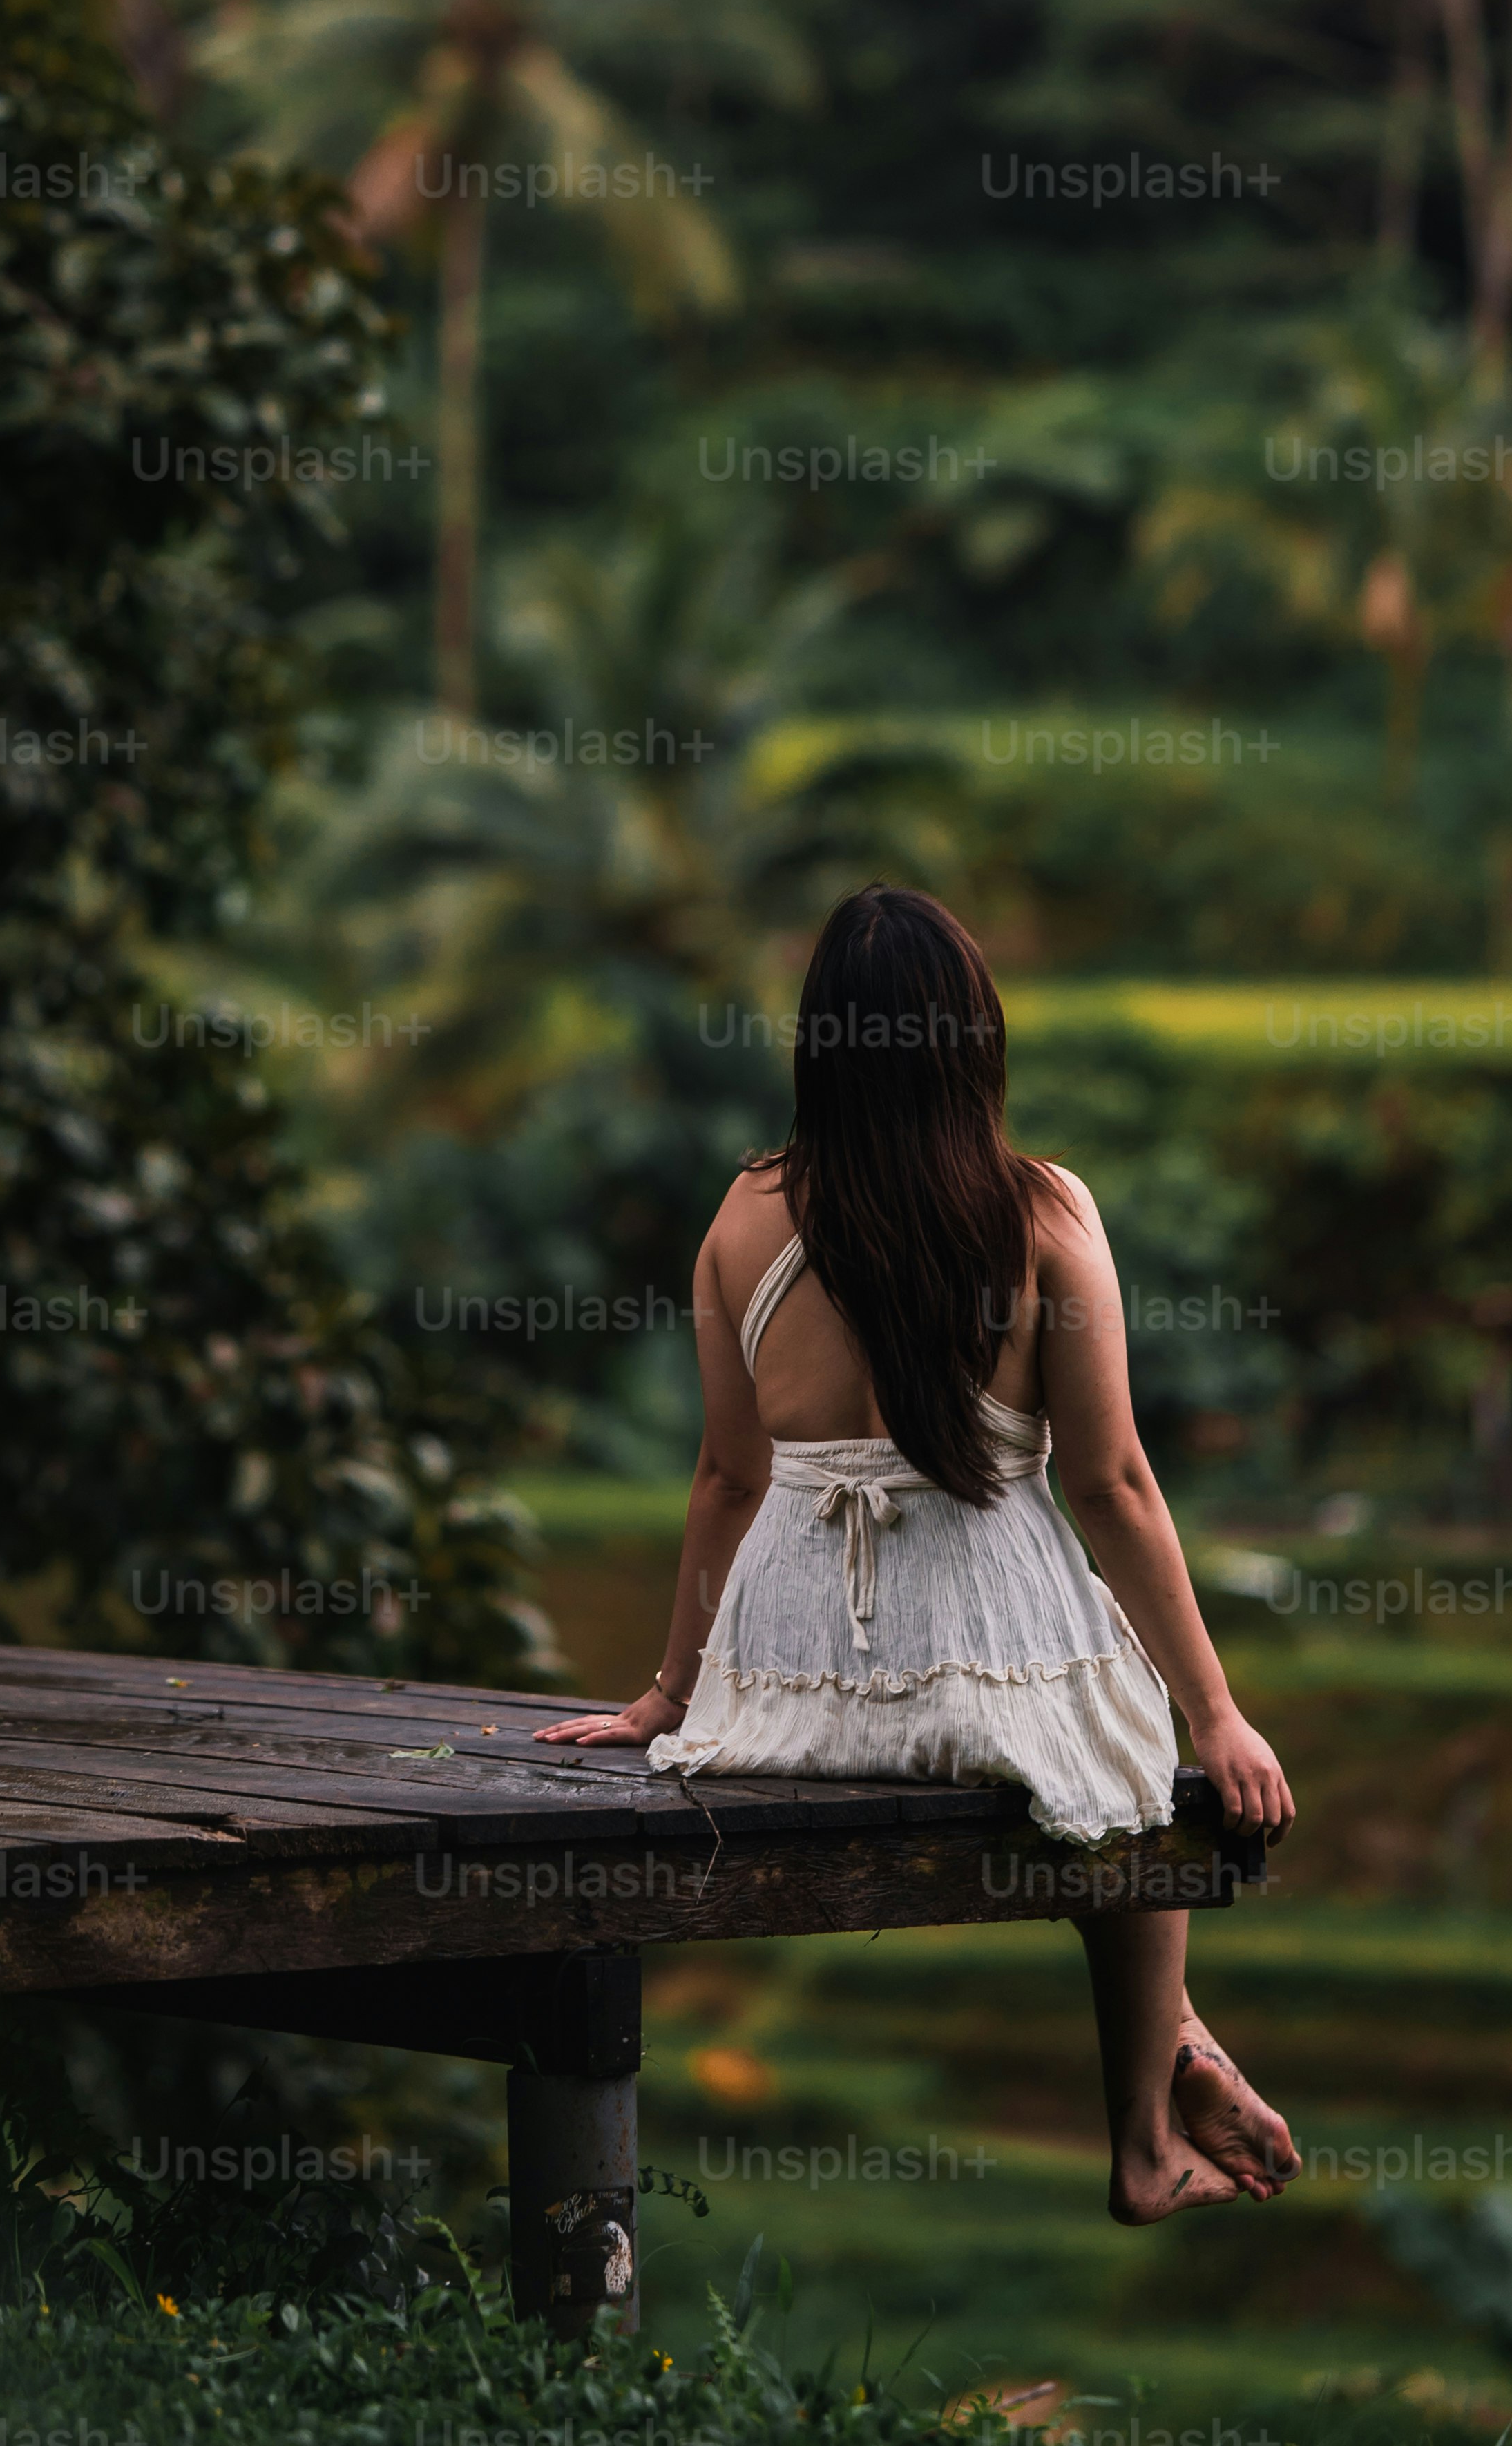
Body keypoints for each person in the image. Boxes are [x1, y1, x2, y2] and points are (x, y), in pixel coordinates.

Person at [537, 880, 1299, 2221]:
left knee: (1093, 1769)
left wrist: (671, 1696)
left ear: (820, 1044)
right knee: (1121, 1766)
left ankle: (1186, 2052)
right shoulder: (1044, 1214)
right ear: (974, 1040)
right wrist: (1219, 1712)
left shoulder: (744, 1215)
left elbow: (727, 1476)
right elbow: (1112, 1484)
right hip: (978, 1669)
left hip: (781, 1695)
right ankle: (1143, 2124)